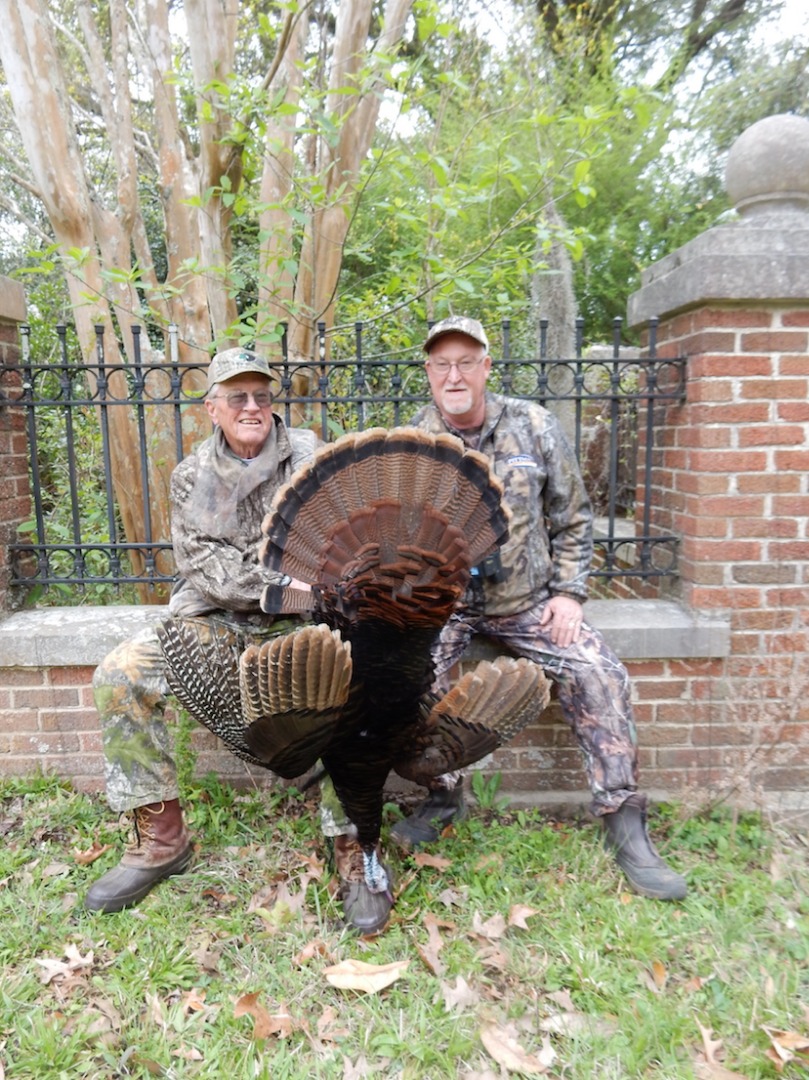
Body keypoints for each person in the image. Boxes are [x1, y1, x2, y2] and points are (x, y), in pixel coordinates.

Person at [390, 315, 687, 901]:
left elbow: (573, 519)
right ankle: (443, 795)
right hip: (446, 605)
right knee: (409, 678)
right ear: (428, 373)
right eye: (442, 364)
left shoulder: (534, 425)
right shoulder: (412, 443)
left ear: (486, 368)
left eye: (466, 361)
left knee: (599, 673)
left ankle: (623, 820)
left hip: (528, 602)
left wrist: (568, 593)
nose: (455, 374)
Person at [85, 348, 321, 914]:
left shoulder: (312, 457)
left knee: (351, 677)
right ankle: (163, 843)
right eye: (236, 396)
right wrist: (289, 586)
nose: (251, 405)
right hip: (215, 620)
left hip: (304, 624)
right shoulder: (192, 477)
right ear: (211, 407)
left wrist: (315, 594)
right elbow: (210, 572)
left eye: (261, 395)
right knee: (121, 674)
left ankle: (350, 838)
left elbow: (336, 540)